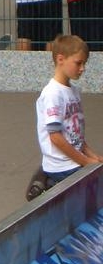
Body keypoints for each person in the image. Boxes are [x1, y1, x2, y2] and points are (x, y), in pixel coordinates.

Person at [34, 35, 103, 189]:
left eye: (84, 63)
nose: (83, 68)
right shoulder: (53, 94)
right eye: (78, 63)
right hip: (61, 165)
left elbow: (76, 136)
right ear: (61, 59)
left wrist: (94, 157)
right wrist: (86, 162)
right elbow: (55, 137)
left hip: (74, 160)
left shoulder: (73, 91)